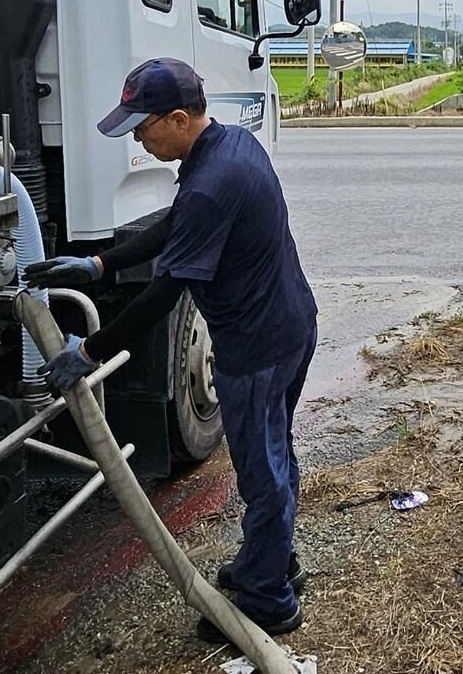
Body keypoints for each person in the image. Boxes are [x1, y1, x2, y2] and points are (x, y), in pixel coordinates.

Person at [25, 57, 318, 644]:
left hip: (256, 348)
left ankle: (269, 602)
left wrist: (91, 351)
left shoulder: (212, 182)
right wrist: (102, 262)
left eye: (143, 125)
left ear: (179, 118)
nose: (137, 136)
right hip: (288, 326)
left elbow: (164, 294)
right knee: (273, 455)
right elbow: (178, 226)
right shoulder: (228, 147)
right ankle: (273, 561)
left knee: (262, 472)